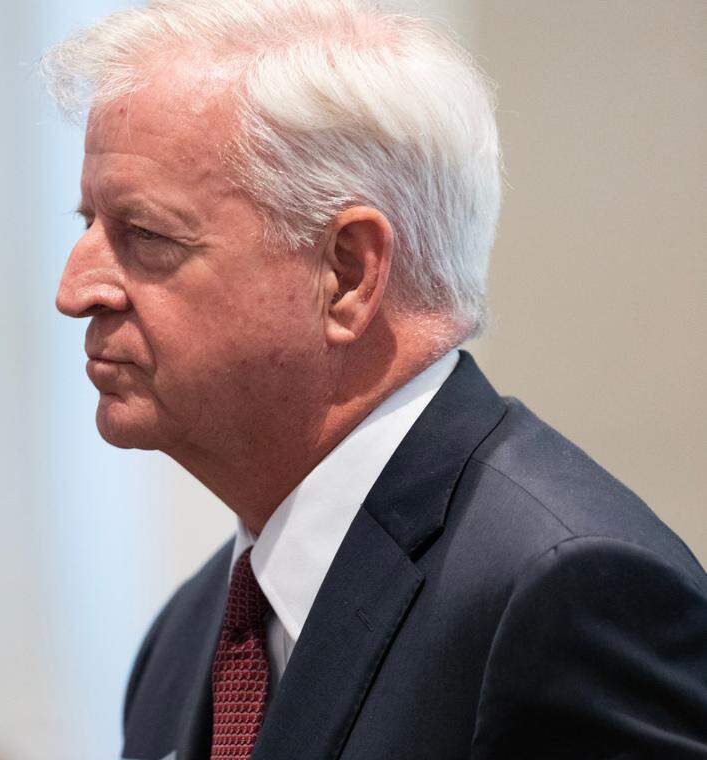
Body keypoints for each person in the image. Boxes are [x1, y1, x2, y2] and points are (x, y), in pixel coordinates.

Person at [42, 1, 707, 758]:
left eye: (146, 236)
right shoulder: (186, 641)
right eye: (86, 222)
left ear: (348, 274)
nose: (75, 288)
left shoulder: (567, 594)